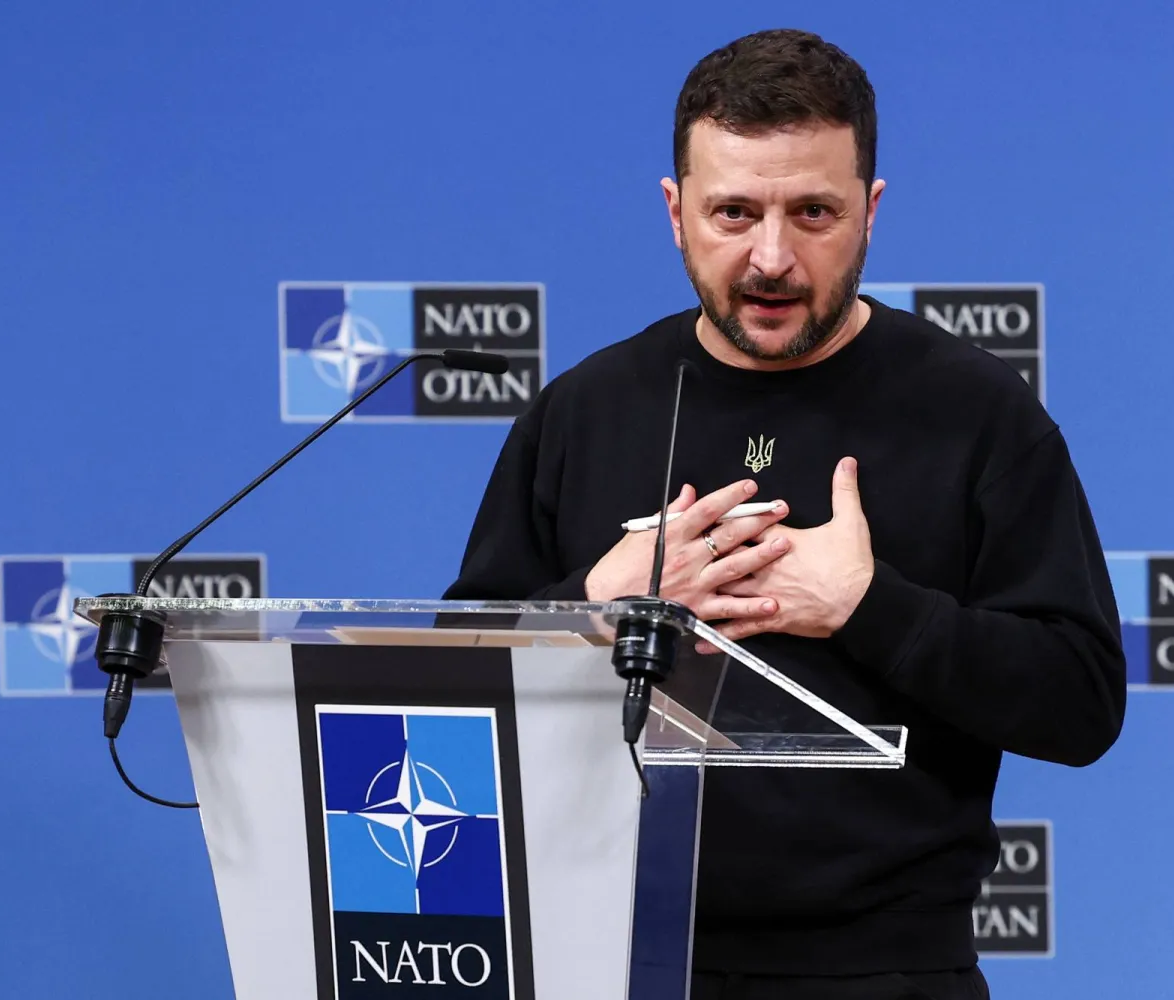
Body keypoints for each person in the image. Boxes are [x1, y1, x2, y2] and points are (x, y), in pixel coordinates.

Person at [443, 27, 1126, 1000]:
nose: (772, 257)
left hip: (888, 973)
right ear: (675, 213)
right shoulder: (584, 412)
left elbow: (1081, 701)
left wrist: (868, 606)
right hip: (604, 963)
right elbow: (449, 700)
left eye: (813, 212)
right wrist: (601, 603)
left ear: (870, 212)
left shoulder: (978, 415)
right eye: (734, 213)